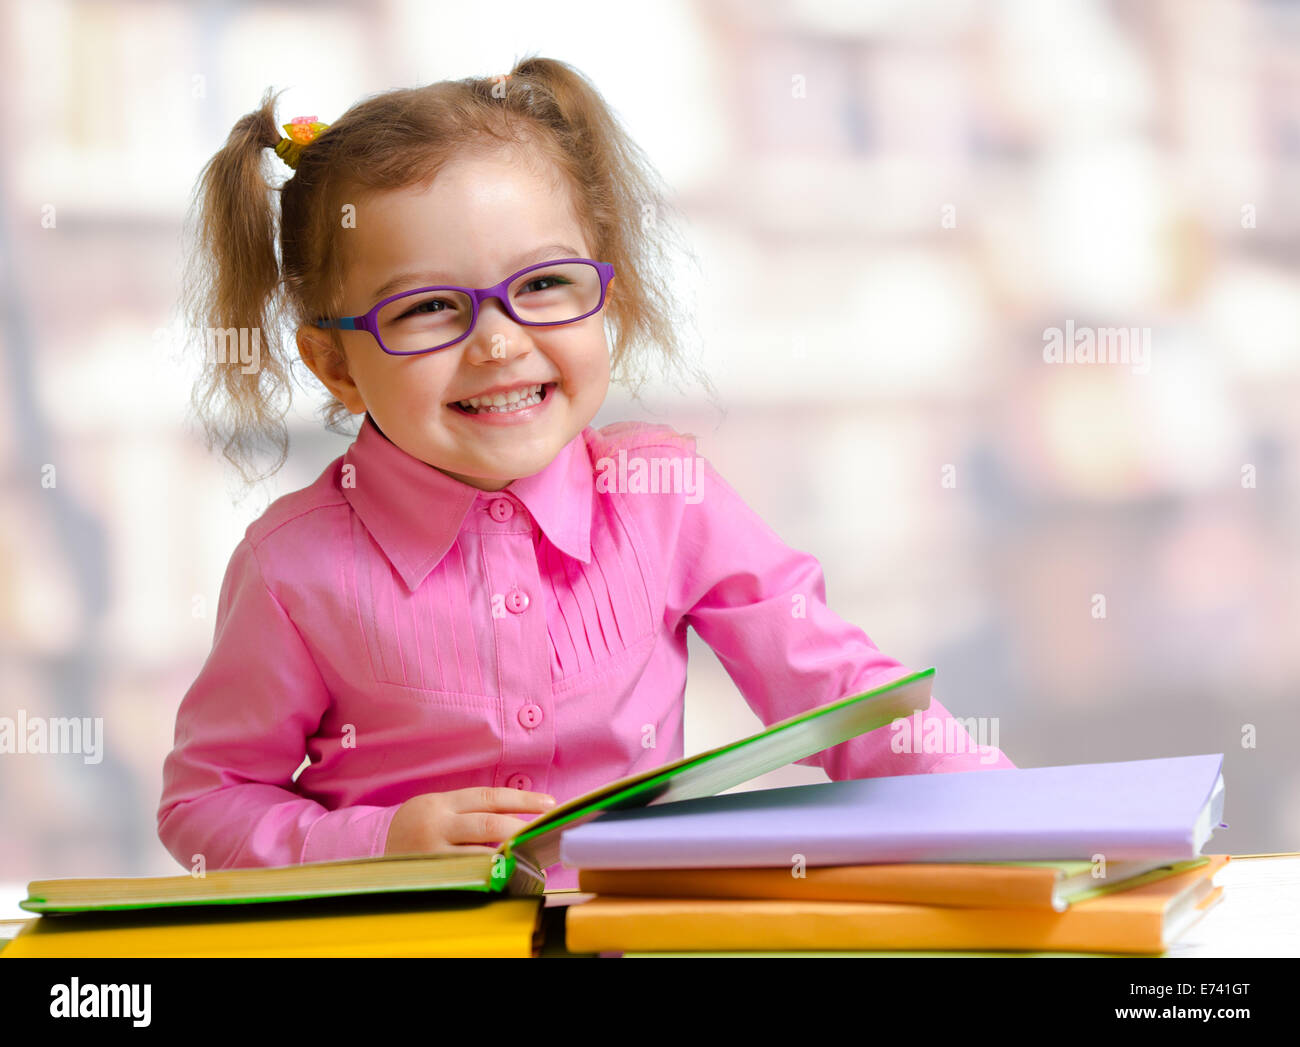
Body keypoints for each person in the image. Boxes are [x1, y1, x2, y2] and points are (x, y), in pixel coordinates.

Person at [158, 56, 1013, 890]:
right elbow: (205, 804)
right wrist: (379, 838)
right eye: (428, 307)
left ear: (605, 285)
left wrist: (1005, 812)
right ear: (334, 364)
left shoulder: (665, 497)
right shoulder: (290, 569)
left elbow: (837, 689)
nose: (498, 341)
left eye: (544, 284)